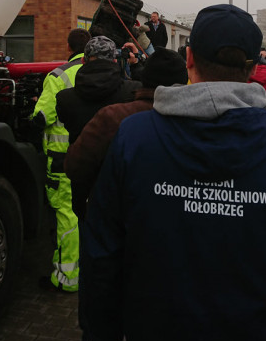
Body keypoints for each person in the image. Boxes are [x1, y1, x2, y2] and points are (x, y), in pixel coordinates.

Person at [81, 4, 266, 341]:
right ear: (251, 68)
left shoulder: (134, 140)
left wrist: (103, 336)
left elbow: (102, 249)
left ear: (188, 57)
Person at [64, 47, 188, 219]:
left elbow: (75, 167)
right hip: (177, 220)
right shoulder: (200, 119)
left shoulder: (112, 117)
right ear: (183, 80)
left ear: (145, 78)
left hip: (118, 221)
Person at [32, 27, 90, 292]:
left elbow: (42, 117)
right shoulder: (104, 73)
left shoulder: (57, 76)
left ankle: (67, 278)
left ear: (68, 48)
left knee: (67, 216)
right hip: (93, 154)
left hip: (62, 159)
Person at [56, 36, 141, 145]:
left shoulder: (65, 99)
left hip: (82, 158)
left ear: (83, 61)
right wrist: (136, 64)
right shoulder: (133, 91)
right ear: (115, 61)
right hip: (120, 159)